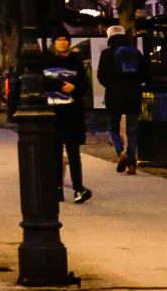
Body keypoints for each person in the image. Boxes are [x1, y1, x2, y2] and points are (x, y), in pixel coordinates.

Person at [46, 35, 91, 202]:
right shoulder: (48, 61)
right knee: (55, 152)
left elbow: (84, 85)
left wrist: (75, 87)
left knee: (74, 153)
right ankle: (57, 188)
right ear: (54, 43)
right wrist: (60, 86)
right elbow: (44, 81)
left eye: (65, 40)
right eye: (59, 40)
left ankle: (78, 187)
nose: (63, 42)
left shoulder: (76, 62)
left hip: (73, 112)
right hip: (55, 112)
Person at [99, 27, 148, 173]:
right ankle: (131, 162)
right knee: (132, 130)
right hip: (133, 94)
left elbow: (102, 75)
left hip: (114, 95)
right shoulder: (136, 53)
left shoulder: (107, 53)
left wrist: (112, 85)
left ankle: (121, 153)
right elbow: (145, 74)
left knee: (112, 127)